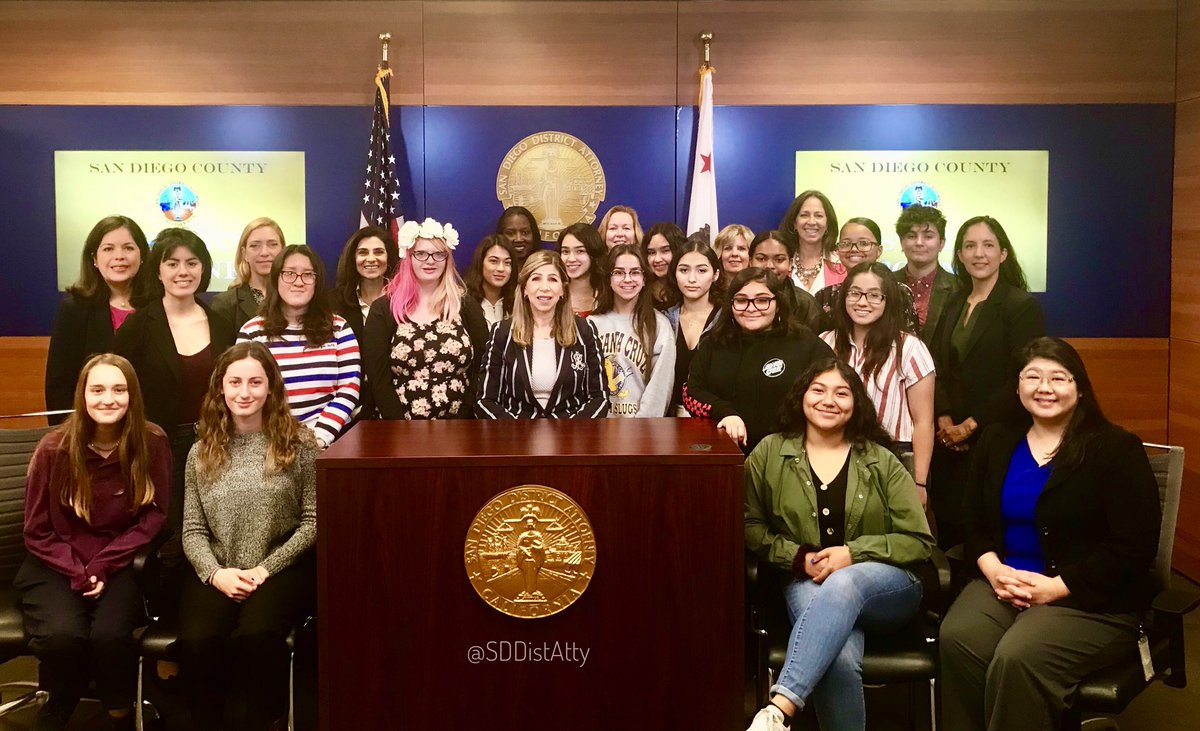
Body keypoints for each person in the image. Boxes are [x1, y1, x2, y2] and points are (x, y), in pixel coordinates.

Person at [939, 337, 1161, 731]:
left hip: (1087, 597)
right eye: (1033, 377)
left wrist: (1055, 588)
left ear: (1079, 386)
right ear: (1017, 385)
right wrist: (993, 570)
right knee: (959, 637)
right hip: (1004, 581)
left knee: (1018, 657)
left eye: (1059, 377)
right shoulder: (997, 440)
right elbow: (970, 520)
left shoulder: (1115, 448)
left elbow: (1134, 546)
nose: (1045, 387)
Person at [744, 358, 935, 731]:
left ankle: (779, 708)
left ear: (856, 403)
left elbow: (918, 541)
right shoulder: (769, 453)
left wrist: (855, 554)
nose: (828, 400)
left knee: (845, 579)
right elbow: (750, 524)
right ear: (802, 395)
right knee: (840, 657)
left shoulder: (882, 459)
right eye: (818, 390)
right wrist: (797, 557)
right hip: (806, 579)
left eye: (841, 392)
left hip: (889, 589)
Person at [18, 354, 170, 731]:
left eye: (119, 390)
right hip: (55, 562)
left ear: (132, 395)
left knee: (109, 634)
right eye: (97, 389)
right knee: (61, 634)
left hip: (119, 561)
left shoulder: (152, 442)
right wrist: (78, 571)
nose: (108, 399)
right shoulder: (54, 449)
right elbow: (36, 529)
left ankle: (118, 706)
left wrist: (102, 566)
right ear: (82, 396)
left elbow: (154, 518)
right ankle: (63, 695)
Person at [178, 341, 319, 731]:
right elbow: (192, 530)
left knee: (257, 636)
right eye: (235, 382)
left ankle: (263, 720)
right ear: (220, 387)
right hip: (219, 568)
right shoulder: (200, 451)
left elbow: (313, 520)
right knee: (198, 640)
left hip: (280, 568)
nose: (244, 392)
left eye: (255, 382)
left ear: (270, 387)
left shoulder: (300, 443)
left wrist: (265, 569)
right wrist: (214, 573)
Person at [113, 228, 234, 591]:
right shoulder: (138, 326)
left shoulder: (222, 326)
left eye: (192, 263)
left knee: (212, 530)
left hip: (216, 445)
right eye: (173, 263)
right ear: (159, 271)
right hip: (157, 446)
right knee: (168, 530)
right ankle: (165, 611)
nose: (183, 271)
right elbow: (121, 390)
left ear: (203, 269)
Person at [929, 215, 1045, 548]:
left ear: (1003, 254)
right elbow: (935, 366)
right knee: (949, 527)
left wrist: (971, 425)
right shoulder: (953, 303)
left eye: (988, 245)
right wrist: (944, 419)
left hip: (996, 435)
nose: (979, 254)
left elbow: (1024, 378)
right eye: (970, 246)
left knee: (987, 530)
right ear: (960, 255)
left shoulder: (1021, 307)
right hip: (949, 440)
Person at [821, 262, 936, 508]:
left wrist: (919, 482)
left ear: (888, 301)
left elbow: (923, 421)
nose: (863, 302)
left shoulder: (909, 348)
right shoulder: (825, 343)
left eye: (874, 295)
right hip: (834, 452)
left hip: (894, 455)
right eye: (855, 293)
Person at [684, 268, 834, 453]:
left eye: (762, 300)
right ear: (731, 304)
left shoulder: (805, 343)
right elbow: (690, 392)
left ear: (778, 303)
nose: (751, 308)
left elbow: (833, 390)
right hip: (724, 454)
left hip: (788, 456)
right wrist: (725, 412)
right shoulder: (715, 343)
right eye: (741, 300)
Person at [361, 217, 488, 420]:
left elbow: (483, 365)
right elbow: (378, 378)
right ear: (408, 257)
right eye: (421, 254)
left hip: (460, 425)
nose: (430, 261)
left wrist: (464, 418)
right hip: (398, 427)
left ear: (448, 259)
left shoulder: (465, 305)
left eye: (439, 254)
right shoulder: (384, 309)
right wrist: (399, 426)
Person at [238, 245, 361, 448]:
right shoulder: (253, 332)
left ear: (317, 281)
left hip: (327, 443)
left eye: (307, 275)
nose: (298, 282)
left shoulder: (339, 328)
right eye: (289, 274)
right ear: (276, 278)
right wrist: (278, 440)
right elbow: (245, 391)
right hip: (269, 445)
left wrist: (318, 438)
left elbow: (349, 388)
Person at [45, 215, 154, 425]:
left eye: (128, 248)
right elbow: (59, 383)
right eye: (108, 249)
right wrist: (67, 435)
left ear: (142, 256)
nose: (119, 256)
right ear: (94, 259)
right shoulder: (74, 310)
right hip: (89, 429)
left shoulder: (157, 306)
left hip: (147, 428)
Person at [476, 250, 609, 419]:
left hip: (571, 436)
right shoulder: (502, 333)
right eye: (536, 278)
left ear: (563, 289)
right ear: (525, 288)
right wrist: (518, 436)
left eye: (552, 279)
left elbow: (600, 398)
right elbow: (485, 401)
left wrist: (569, 434)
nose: (544, 287)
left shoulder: (584, 330)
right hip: (516, 436)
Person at [588, 245, 676, 418]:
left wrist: (642, 428)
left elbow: (660, 386)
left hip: (643, 430)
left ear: (644, 279)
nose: (627, 279)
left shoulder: (659, 325)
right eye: (619, 272)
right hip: (599, 429)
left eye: (635, 272)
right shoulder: (591, 324)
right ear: (609, 279)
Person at [813, 217, 918, 333]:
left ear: (879, 250)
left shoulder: (900, 293)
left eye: (863, 243)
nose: (853, 249)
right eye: (846, 243)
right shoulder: (824, 296)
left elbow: (909, 342)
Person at [665, 240, 722, 416]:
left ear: (716, 274)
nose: (692, 279)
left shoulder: (727, 319)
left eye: (702, 270)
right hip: (667, 417)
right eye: (684, 270)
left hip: (714, 417)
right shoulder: (663, 319)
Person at [891, 205, 958, 345]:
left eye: (928, 236)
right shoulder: (886, 283)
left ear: (941, 243)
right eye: (911, 236)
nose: (919, 242)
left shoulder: (959, 288)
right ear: (901, 243)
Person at [211, 218, 286, 331]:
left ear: (283, 250)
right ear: (244, 253)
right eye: (255, 246)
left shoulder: (296, 298)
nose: (264, 252)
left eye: (272, 244)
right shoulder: (225, 304)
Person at [330, 225, 400, 339]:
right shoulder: (334, 302)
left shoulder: (402, 300)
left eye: (378, 252)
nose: (371, 259)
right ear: (353, 258)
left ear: (389, 257)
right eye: (363, 252)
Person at [750, 229, 821, 332]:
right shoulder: (737, 300)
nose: (769, 266)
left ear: (790, 264)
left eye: (779, 260)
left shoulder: (806, 305)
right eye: (761, 259)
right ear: (750, 262)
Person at [779, 190, 844, 294]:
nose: (812, 222)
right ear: (794, 223)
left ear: (827, 224)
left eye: (818, 216)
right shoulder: (781, 264)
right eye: (804, 215)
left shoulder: (842, 264)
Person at [463, 234, 517, 327]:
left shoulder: (518, 302)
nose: (501, 268)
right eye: (493, 261)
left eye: (507, 263)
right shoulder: (463, 302)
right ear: (480, 262)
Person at [557, 222, 606, 317]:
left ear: (593, 253)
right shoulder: (554, 294)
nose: (571, 259)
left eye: (580, 251)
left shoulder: (607, 295)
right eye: (565, 251)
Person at [642, 222, 685, 310]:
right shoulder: (640, 290)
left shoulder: (689, 288)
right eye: (651, 252)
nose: (657, 259)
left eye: (665, 251)